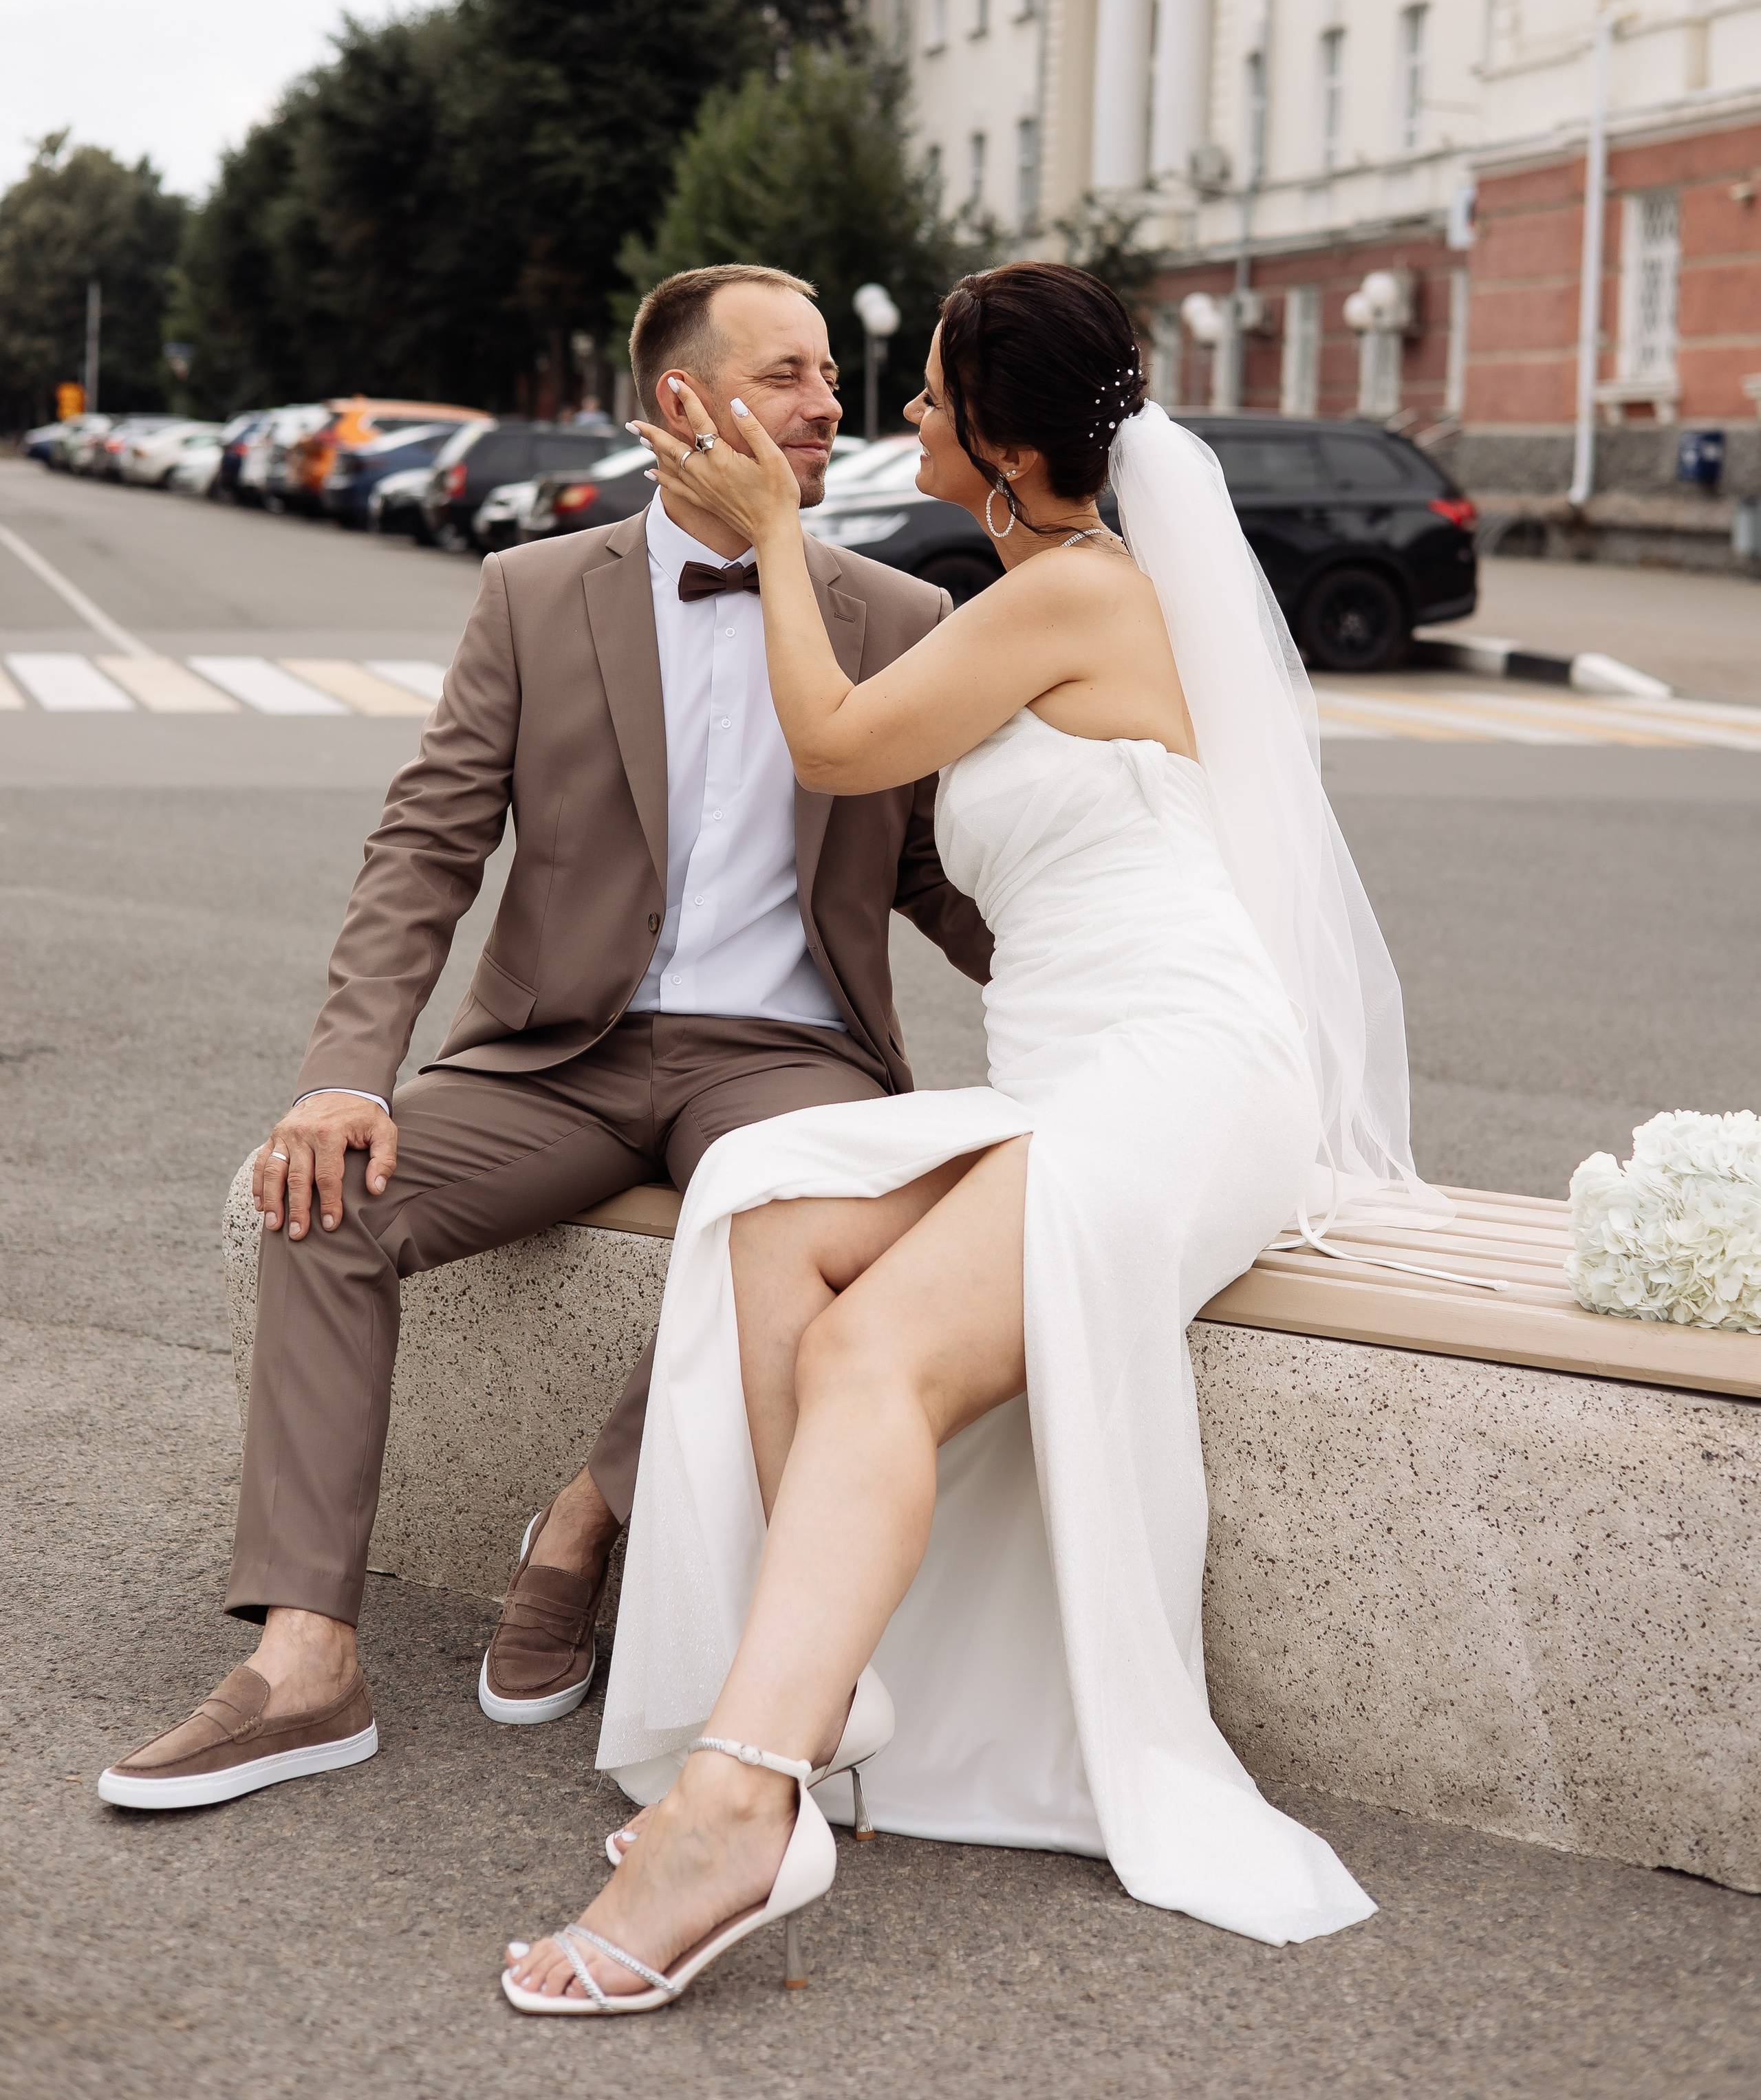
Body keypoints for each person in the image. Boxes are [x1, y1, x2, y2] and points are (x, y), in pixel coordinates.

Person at [502, 259, 1425, 2016]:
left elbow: (837, 743)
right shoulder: (1015, 592)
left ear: (996, 444)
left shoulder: (1073, 590)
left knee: (865, 1349)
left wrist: (773, 533)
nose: (898, 415)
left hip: (1181, 1065)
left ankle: (736, 1804)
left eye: (925, 396)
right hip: (1067, 1072)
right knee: (770, 1205)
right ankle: (822, 1679)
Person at [98, 263, 990, 1813]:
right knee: (322, 1202)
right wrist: (342, 1075)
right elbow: (427, 843)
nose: (827, 405)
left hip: (785, 1055)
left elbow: (936, 872)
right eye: (787, 375)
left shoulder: (900, 616)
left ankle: (583, 1516)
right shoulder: (531, 591)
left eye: (832, 378)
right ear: (683, 404)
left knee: (777, 1222)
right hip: (555, 1052)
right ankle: (307, 1662)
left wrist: (1126, 996)